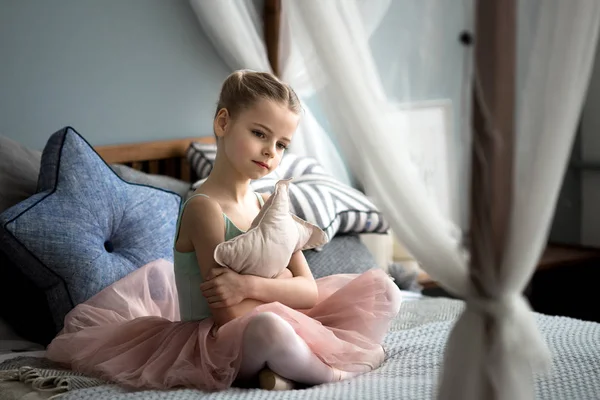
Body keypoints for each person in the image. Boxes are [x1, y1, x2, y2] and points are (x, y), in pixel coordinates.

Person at [46, 70, 402, 392]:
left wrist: (249, 285)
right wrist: (281, 284)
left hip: (272, 319)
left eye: (281, 144)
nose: (270, 152)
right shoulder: (205, 209)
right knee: (270, 328)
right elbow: (230, 315)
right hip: (221, 342)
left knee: (384, 290)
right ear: (223, 122)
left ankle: (282, 373)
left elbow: (308, 291)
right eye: (259, 133)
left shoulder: (268, 204)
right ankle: (334, 373)